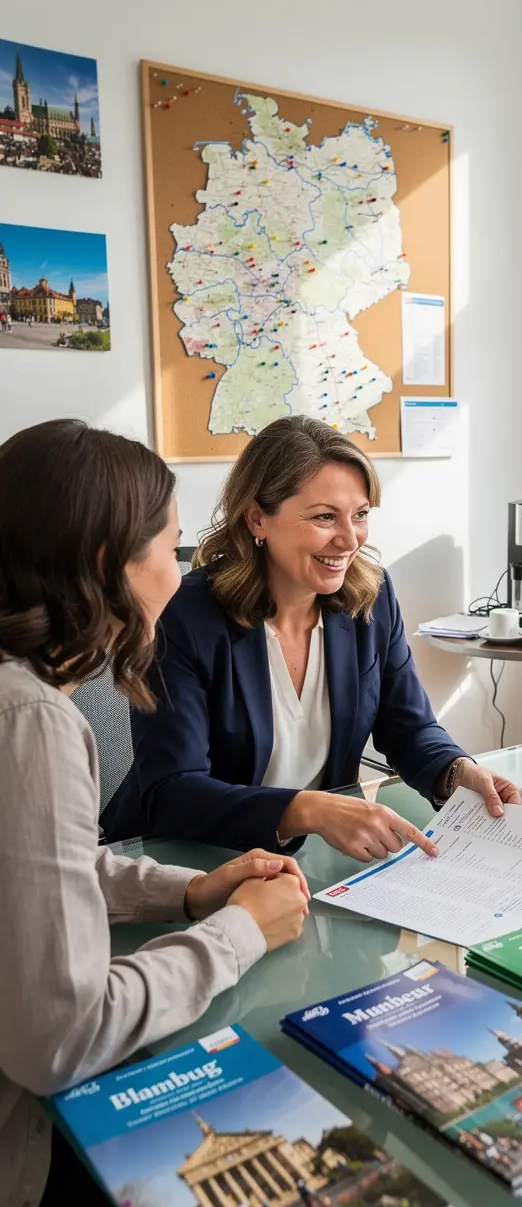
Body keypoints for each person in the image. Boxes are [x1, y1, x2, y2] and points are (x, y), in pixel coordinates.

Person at [0, 420, 311, 1207]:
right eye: (170, 549)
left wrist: (187, 892)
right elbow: (61, 1041)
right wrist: (241, 932)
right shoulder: (31, 721)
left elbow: (39, 862)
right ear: (109, 565)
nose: (180, 573)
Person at [102, 416, 521, 859]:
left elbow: (408, 727)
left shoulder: (372, 598)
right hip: (178, 859)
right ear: (258, 519)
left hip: (311, 858)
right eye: (324, 517)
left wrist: (458, 771)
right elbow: (172, 790)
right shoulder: (184, 613)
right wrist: (309, 810)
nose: (349, 540)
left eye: (359, 516)